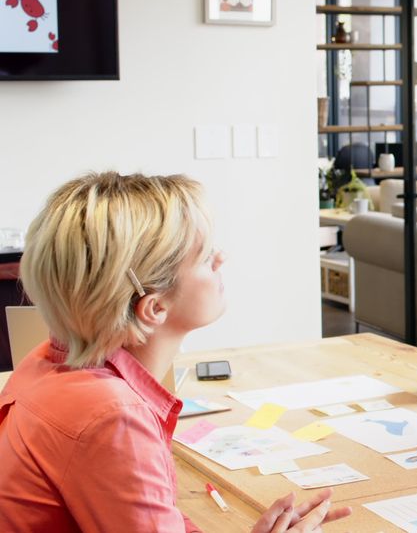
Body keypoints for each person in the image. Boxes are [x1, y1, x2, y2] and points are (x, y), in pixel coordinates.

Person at [0, 173, 352, 532]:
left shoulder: (46, 360)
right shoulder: (113, 417)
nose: (221, 258)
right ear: (153, 307)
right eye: (203, 257)